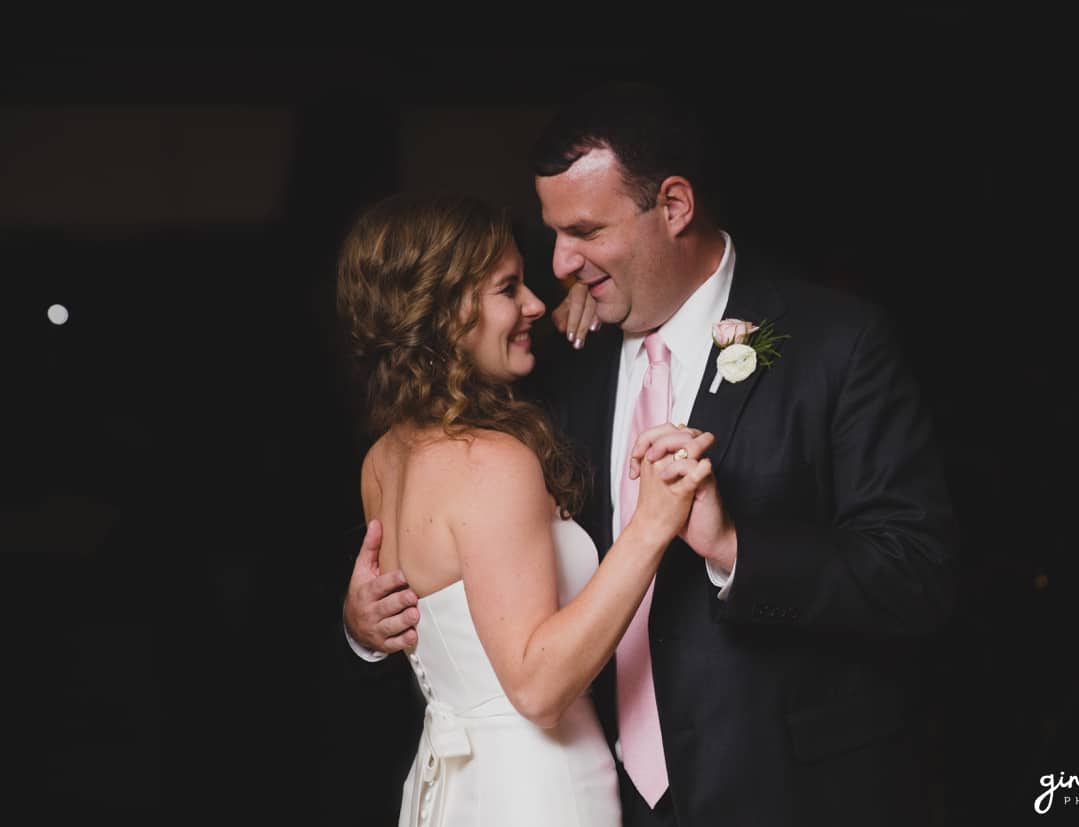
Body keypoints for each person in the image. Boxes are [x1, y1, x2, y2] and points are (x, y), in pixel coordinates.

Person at [344, 82, 958, 826]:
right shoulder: (556, 361)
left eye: (585, 231)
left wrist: (736, 548)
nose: (561, 264)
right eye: (552, 234)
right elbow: (461, 534)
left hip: (783, 792)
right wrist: (371, 621)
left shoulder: (838, 344)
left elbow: (917, 575)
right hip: (594, 796)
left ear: (673, 206)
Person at [335, 192, 717, 826]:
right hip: (538, 787)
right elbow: (536, 689)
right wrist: (652, 524)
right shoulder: (491, 461)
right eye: (509, 288)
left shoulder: (383, 458)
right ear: (446, 311)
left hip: (456, 787)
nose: (537, 303)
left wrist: (359, 629)